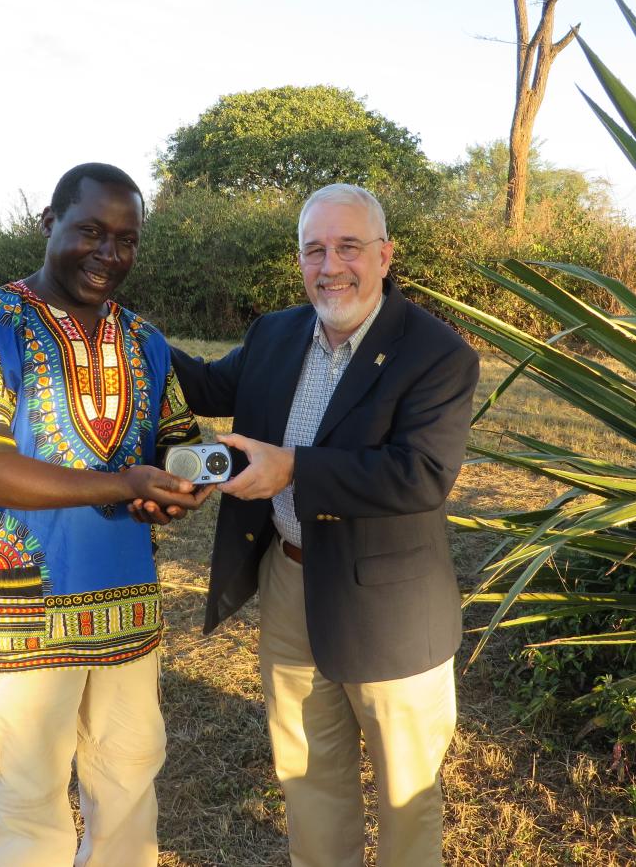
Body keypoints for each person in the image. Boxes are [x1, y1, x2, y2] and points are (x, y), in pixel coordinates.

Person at [159, 183, 479, 866]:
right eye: (314, 250)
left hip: (390, 609)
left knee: (405, 795)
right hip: (290, 585)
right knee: (308, 779)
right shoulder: (276, 332)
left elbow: (419, 474)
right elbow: (211, 386)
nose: (331, 266)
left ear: (385, 255)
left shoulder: (438, 354)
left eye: (348, 247)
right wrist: (127, 330)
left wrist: (295, 470)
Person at [0, 163, 211, 866]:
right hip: (20, 613)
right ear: (49, 223)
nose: (110, 254)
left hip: (127, 611)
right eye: (91, 231)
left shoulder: (146, 341)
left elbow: (173, 448)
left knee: (129, 787)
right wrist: (118, 484)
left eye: (127, 240)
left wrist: (179, 490)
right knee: (20, 802)